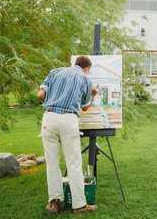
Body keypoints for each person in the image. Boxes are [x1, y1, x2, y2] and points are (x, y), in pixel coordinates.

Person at [37, 56, 97, 215]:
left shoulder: (55, 72)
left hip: (48, 119)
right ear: (87, 69)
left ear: (74, 64)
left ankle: (54, 203)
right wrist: (93, 94)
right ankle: (79, 206)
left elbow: (40, 95)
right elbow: (84, 108)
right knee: (74, 163)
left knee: (52, 163)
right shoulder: (85, 79)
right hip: (69, 120)